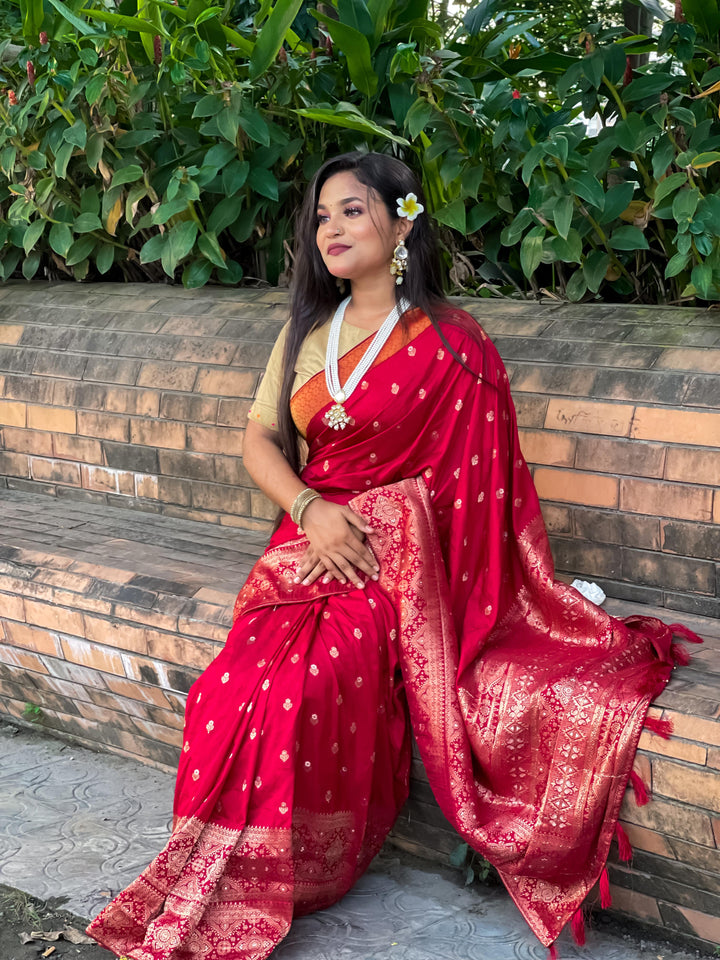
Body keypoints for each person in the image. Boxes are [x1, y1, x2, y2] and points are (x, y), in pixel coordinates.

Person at [87, 151, 697, 960]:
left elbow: (483, 494)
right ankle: (222, 872)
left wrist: (378, 527)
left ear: (401, 222)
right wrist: (312, 510)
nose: (330, 228)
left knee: (305, 685)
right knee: (230, 690)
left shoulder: (454, 344)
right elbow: (259, 440)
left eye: (351, 210)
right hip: (306, 547)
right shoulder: (306, 331)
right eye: (321, 215)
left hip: (395, 569)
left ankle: (293, 874)